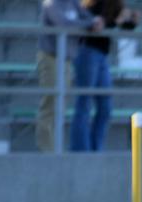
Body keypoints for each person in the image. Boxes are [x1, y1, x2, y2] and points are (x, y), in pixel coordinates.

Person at [70, 0, 141, 152]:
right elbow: (85, 20)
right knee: (84, 102)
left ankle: (96, 149)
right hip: (87, 50)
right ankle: (81, 151)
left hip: (101, 54)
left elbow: (119, 23)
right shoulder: (91, 3)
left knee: (105, 106)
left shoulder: (115, 4)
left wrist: (132, 21)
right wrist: (98, 23)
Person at [37, 0, 104, 152]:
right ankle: (47, 152)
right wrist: (88, 25)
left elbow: (88, 16)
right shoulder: (51, 3)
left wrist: (93, 21)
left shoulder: (72, 2)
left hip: (67, 59)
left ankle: (55, 149)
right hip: (51, 57)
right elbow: (63, 24)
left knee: (60, 105)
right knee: (51, 104)